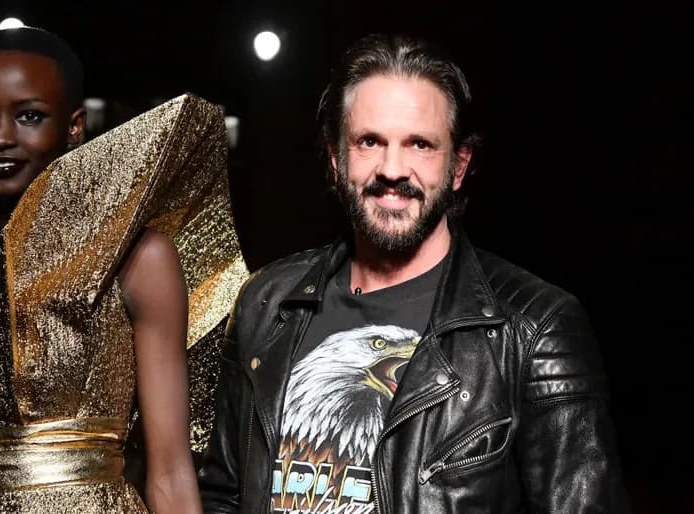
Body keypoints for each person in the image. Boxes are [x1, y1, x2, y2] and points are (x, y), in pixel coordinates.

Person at [198, 33, 630, 513]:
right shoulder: (267, 302)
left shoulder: (533, 329)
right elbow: (223, 494)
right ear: (336, 159)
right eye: (369, 142)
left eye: (420, 144)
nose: (392, 168)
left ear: (459, 165)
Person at [0, 26, 246, 514]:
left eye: (29, 116)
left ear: (74, 127)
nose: (0, 137)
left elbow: (170, 472)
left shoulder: (135, 261)